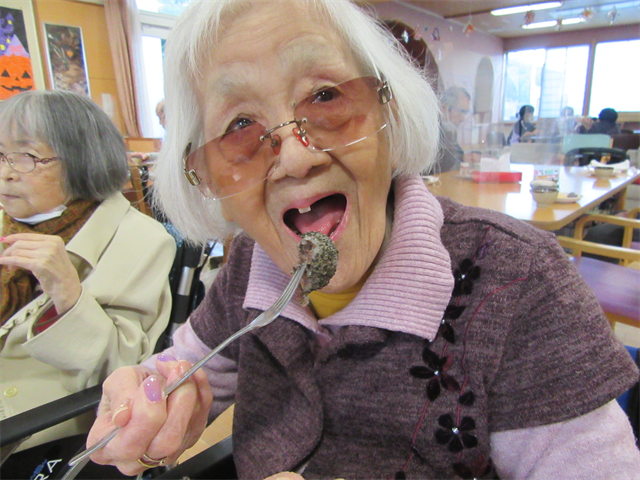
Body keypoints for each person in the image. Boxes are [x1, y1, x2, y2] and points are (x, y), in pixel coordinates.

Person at [87, 1, 640, 478]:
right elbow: (184, 371)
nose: (296, 158)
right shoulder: (250, 269)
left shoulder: (519, 282)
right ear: (208, 178)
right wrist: (148, 398)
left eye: (325, 95)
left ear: (388, 111)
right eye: (239, 126)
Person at [0, 90, 176, 452]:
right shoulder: (8, 222)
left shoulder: (141, 239)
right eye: (1, 155)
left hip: (35, 428)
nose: (6, 174)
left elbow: (125, 370)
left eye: (27, 157)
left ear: (82, 160)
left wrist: (68, 293)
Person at [438, 86, 481, 172]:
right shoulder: (430, 130)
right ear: (444, 108)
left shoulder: (449, 132)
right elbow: (437, 165)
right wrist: (463, 158)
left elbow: (457, 156)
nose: (463, 119)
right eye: (461, 112)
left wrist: (467, 157)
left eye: (465, 113)